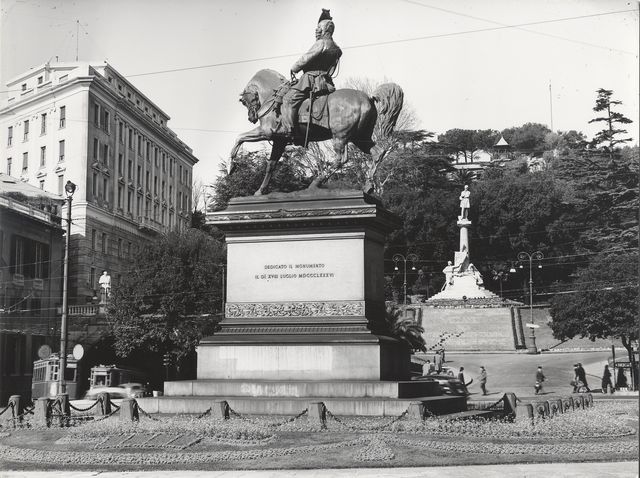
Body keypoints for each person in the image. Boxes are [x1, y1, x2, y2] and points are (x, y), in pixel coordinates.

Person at [282, 10, 342, 139]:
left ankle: (290, 133)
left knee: (288, 99)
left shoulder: (320, 43)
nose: (316, 31)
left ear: (325, 29)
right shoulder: (337, 49)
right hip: (325, 81)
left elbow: (306, 58)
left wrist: (294, 68)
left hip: (310, 80)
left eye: (319, 28)